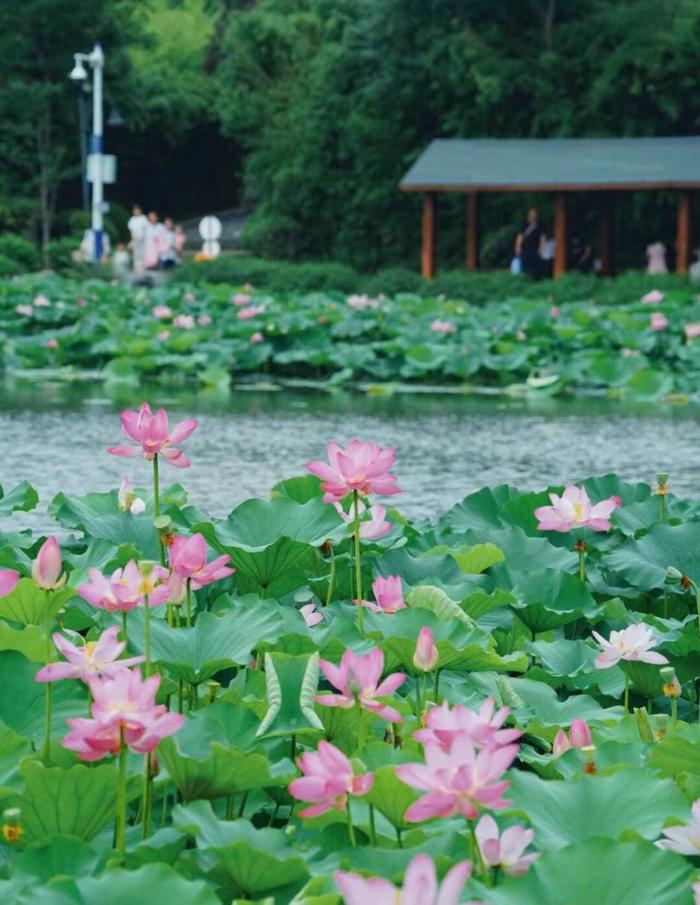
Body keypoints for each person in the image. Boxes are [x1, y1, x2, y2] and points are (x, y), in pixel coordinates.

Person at [515, 208, 546, 279]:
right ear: (529, 215)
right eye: (531, 214)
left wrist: (541, 249)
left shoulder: (540, 226)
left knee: (535, 266)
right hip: (525, 250)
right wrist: (518, 247)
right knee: (524, 266)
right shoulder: (524, 225)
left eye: (534, 214)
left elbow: (543, 238)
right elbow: (520, 237)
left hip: (535, 250)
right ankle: (525, 279)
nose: (533, 216)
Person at [127, 204, 148, 273]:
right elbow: (131, 231)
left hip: (143, 239)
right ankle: (136, 268)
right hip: (135, 238)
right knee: (136, 254)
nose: (136, 211)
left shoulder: (143, 218)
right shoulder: (132, 219)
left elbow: (145, 230)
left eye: (137, 210)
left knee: (143, 253)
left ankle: (143, 267)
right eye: (135, 210)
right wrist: (132, 240)